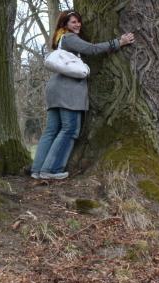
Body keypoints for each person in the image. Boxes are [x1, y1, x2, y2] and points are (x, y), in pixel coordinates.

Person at [31, 10, 135, 180]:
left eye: (78, 21)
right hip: (67, 90)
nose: (78, 25)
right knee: (69, 129)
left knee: (51, 131)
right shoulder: (70, 38)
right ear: (65, 25)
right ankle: (51, 170)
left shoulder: (60, 40)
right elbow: (92, 49)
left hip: (55, 89)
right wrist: (119, 42)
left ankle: (37, 169)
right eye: (73, 22)